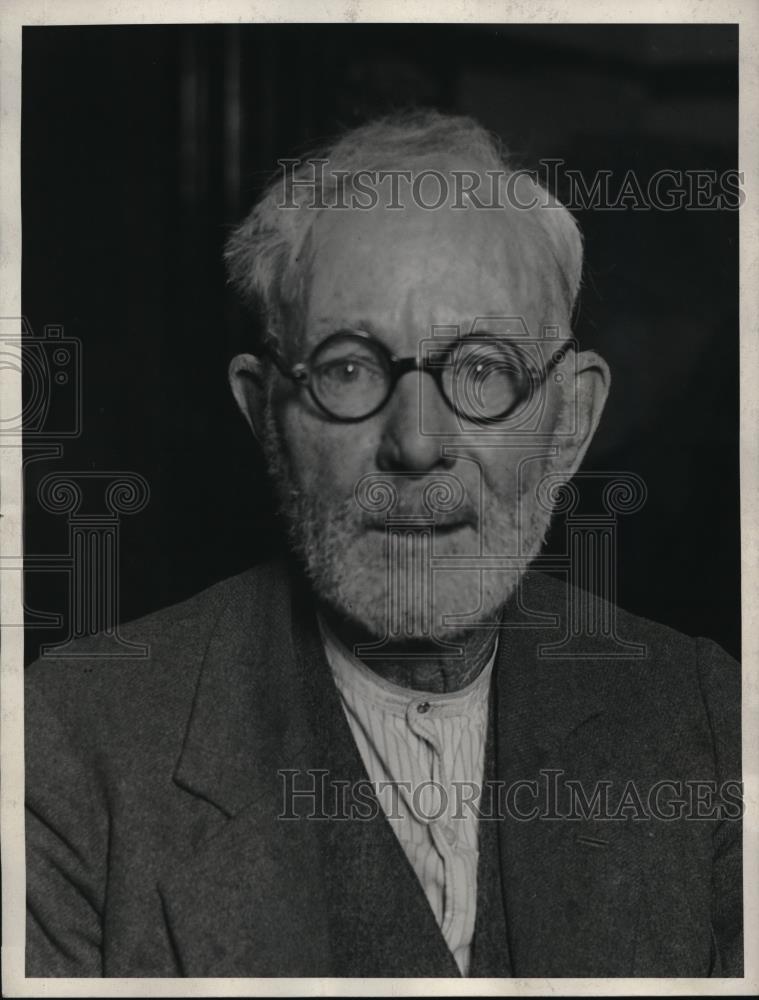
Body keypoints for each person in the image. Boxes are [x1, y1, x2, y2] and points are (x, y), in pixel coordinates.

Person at [25, 110, 742, 978]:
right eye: (348, 369)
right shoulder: (65, 750)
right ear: (263, 416)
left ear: (571, 423)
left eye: (481, 369)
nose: (414, 443)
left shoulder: (708, 724)